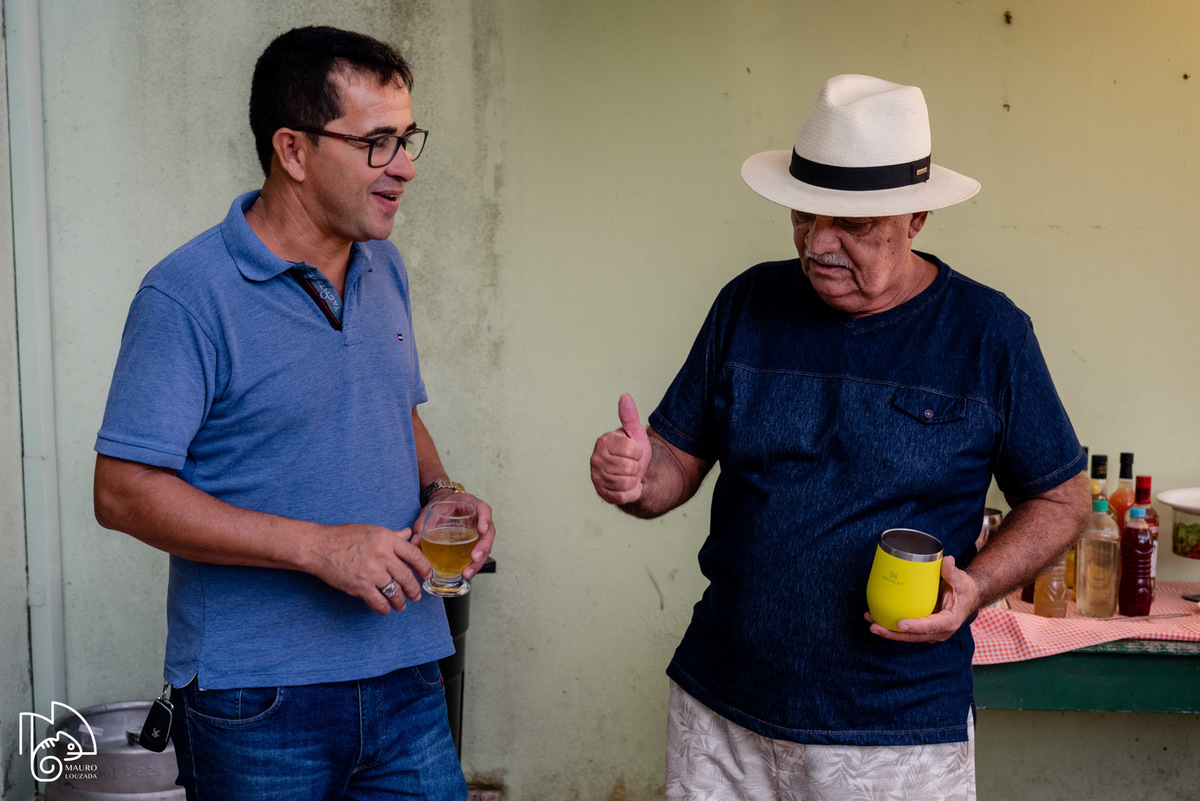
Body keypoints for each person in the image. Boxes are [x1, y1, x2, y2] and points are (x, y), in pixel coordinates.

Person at [590, 74, 1089, 800]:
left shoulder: (989, 335)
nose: (818, 244)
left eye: (851, 226)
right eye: (805, 213)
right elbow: (673, 464)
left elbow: (1063, 500)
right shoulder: (748, 303)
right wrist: (635, 473)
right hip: (723, 711)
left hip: (895, 729)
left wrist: (976, 586)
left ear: (916, 216)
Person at [93, 26, 492, 800]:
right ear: (295, 150)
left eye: (407, 138)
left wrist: (445, 490)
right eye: (378, 142)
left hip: (408, 670)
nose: (405, 166)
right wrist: (319, 548)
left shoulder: (384, 265)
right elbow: (122, 491)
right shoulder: (186, 295)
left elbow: (391, 410)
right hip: (258, 699)